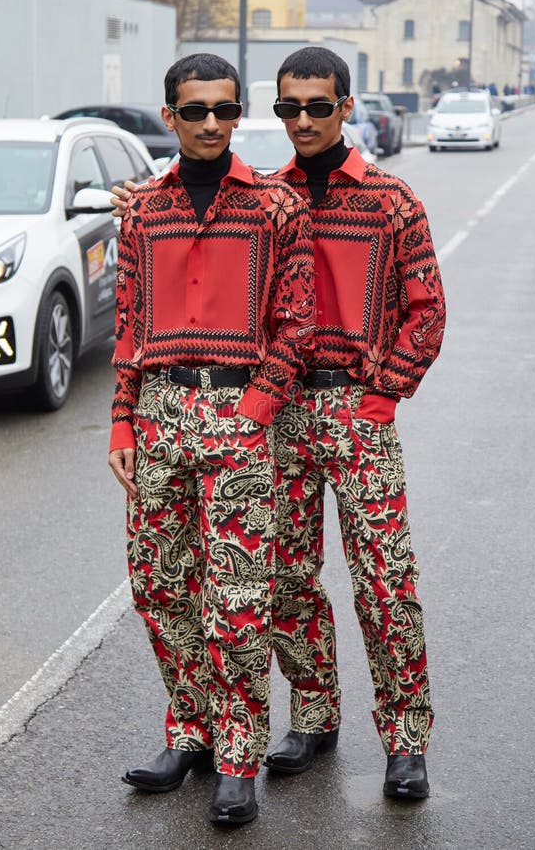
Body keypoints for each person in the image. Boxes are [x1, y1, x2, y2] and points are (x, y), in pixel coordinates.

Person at [111, 46, 446, 802]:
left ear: (345, 107)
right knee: (286, 580)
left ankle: (405, 736)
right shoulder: (267, 193)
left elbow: (427, 311)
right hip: (275, 419)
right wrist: (135, 199)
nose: (300, 120)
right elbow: (190, 214)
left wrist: (383, 395)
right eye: (287, 107)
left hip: (355, 410)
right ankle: (316, 714)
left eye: (317, 106)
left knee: (385, 580)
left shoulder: (390, 200)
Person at [107, 52, 315, 826]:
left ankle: (237, 757)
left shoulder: (273, 207)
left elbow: (296, 322)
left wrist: (256, 411)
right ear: (169, 118)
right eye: (194, 112)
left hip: (238, 415)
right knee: (159, 586)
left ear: (239, 114)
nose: (210, 125)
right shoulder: (141, 211)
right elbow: (129, 323)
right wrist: (122, 418)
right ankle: (188, 729)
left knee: (235, 595)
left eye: (224, 111)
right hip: (160, 412)